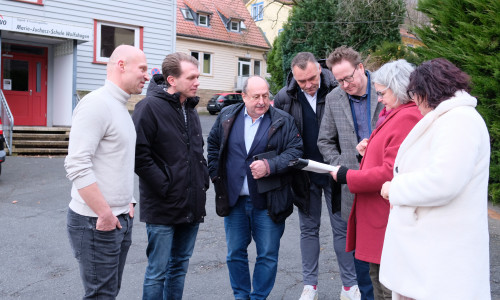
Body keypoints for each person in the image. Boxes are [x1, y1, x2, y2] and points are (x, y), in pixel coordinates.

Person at [379, 58, 491, 300]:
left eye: (414, 94)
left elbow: (444, 181)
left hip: (443, 254)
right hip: (434, 249)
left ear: (426, 92)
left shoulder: (459, 121)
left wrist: (395, 188)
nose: (414, 101)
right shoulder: (451, 118)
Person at [329, 59, 422, 300]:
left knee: (386, 288)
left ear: (399, 87)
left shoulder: (406, 116)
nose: (378, 98)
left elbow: (391, 171)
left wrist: (348, 176)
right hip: (379, 217)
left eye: (382, 92)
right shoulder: (397, 113)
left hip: (385, 217)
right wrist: (367, 151)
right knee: (377, 282)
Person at [65, 45, 149, 299]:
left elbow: (116, 159)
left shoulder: (119, 106)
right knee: (101, 295)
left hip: (119, 217)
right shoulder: (96, 104)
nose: (147, 75)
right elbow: (77, 164)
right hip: (96, 222)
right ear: (121, 65)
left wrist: (128, 201)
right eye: (142, 69)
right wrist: (104, 213)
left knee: (108, 292)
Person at [207, 76, 303, 300]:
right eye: (256, 96)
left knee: (268, 255)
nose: (262, 101)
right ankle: (241, 296)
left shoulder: (282, 120)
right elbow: (212, 145)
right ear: (243, 96)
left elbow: (295, 152)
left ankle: (259, 296)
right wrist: (215, 175)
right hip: (234, 201)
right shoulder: (227, 116)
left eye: (265, 95)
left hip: (268, 201)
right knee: (235, 254)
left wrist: (270, 166)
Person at [273, 52, 359, 300]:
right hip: (305, 175)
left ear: (319, 70)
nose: (309, 85)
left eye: (312, 78)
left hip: (336, 171)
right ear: (294, 77)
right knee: (308, 230)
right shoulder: (284, 97)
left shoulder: (338, 87)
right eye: (302, 82)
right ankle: (310, 286)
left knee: (342, 229)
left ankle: (349, 286)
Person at [132, 52, 209, 300]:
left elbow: (196, 152)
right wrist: (165, 185)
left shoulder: (191, 108)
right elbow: (138, 155)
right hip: (163, 204)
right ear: (172, 80)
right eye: (192, 77)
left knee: (179, 267)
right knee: (158, 271)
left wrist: (202, 181)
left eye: (197, 76)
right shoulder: (149, 108)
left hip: (191, 203)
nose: (197, 82)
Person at [318, 45, 384, 300]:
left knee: (388, 258)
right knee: (359, 257)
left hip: (385, 184)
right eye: (339, 80)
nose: (345, 84)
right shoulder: (334, 98)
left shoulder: (385, 88)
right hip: (352, 188)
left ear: (361, 68)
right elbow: (324, 141)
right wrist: (342, 167)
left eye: (349, 77)